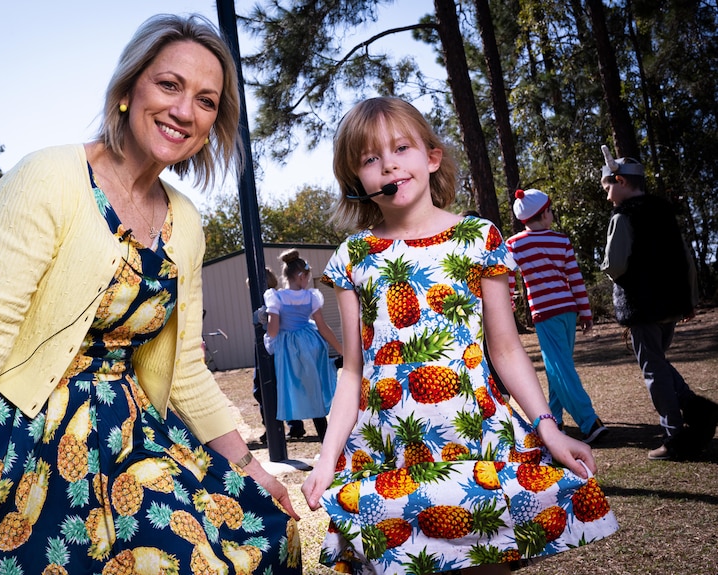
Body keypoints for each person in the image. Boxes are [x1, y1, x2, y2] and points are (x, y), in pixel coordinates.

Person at [0, 14, 300, 575]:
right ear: (128, 89)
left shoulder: (184, 220)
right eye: (169, 85)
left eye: (206, 100)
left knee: (249, 544)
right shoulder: (48, 176)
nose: (185, 111)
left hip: (130, 439)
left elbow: (184, 369)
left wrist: (253, 468)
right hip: (17, 435)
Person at [302, 97, 618, 574]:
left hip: (477, 438)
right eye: (370, 159)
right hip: (389, 449)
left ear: (431, 157)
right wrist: (327, 458)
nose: (388, 163)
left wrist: (549, 429)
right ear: (358, 181)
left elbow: (507, 349)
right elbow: (352, 372)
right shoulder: (354, 255)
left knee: (485, 561)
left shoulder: (479, 238)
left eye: (401, 147)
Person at [599, 145, 718, 461]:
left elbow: (615, 264)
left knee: (653, 370)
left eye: (607, 187)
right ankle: (699, 410)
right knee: (659, 364)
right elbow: (686, 259)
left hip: (642, 307)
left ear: (621, 181)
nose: (608, 195)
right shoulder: (664, 212)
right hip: (670, 306)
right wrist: (689, 299)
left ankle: (676, 437)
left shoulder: (623, 216)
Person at [506, 188, 608, 444]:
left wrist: (508, 304)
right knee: (559, 366)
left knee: (559, 367)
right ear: (545, 213)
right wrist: (585, 312)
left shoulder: (514, 244)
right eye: (551, 211)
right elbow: (575, 279)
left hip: (545, 313)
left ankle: (586, 422)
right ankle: (566, 420)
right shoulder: (561, 241)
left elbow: (508, 276)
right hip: (568, 311)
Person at [264, 249, 343, 441]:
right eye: (307, 277)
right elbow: (323, 327)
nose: (307, 281)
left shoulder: (276, 297)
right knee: (314, 384)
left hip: (289, 348)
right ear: (301, 276)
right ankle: (324, 431)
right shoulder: (311, 297)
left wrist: (268, 328)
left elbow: (273, 330)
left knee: (293, 384)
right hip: (311, 343)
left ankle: (287, 425)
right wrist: (342, 350)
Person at [251, 267, 305, 443]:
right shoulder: (270, 296)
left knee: (269, 388)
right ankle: (279, 426)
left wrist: (263, 316)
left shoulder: (273, 296)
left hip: (274, 348)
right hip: (267, 346)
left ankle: (286, 426)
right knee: (263, 389)